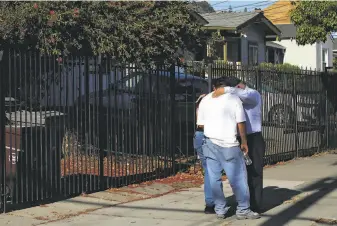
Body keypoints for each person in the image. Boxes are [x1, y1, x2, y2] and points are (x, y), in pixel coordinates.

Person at [197, 77, 260, 220]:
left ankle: (220, 209)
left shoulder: (205, 100)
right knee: (237, 179)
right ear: (227, 87)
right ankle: (243, 209)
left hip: (210, 142)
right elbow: (241, 122)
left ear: (215, 87)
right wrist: (244, 141)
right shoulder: (233, 99)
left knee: (214, 178)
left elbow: (200, 124)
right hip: (228, 144)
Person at [214, 76, 265, 213]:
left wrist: (227, 90)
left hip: (253, 137)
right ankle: (244, 203)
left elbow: (244, 96)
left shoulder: (253, 94)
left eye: (232, 89)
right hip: (237, 138)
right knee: (239, 173)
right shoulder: (234, 98)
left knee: (254, 171)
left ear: (239, 86)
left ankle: (256, 204)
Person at [194, 94, 214, 214]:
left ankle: (210, 202)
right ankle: (212, 202)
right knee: (212, 170)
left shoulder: (201, 103)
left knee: (209, 169)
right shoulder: (213, 103)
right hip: (208, 135)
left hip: (199, 134)